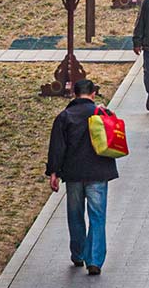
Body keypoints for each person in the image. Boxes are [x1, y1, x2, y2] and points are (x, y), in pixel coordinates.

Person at [44, 77, 117, 273]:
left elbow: (57, 148)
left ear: (75, 94)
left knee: (75, 215)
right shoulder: (100, 112)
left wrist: (54, 172)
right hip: (98, 172)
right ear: (93, 94)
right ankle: (94, 260)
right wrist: (107, 111)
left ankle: (78, 253)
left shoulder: (65, 116)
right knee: (97, 216)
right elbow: (114, 132)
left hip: (74, 174)